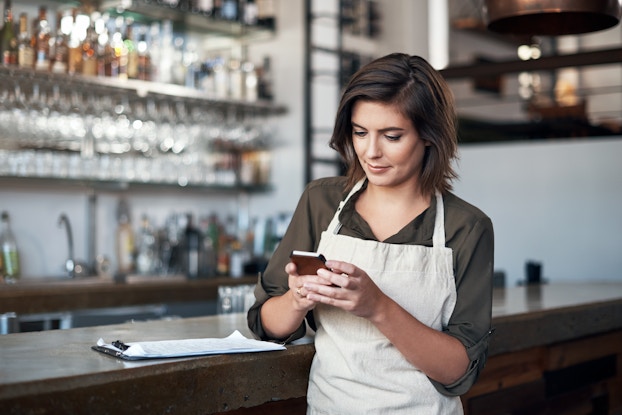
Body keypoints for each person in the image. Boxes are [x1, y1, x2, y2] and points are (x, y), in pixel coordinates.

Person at [247, 53, 494, 414]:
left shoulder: (466, 227)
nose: (371, 151)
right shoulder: (321, 201)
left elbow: (458, 371)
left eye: (392, 136)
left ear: (429, 136)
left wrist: (378, 307)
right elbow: (266, 324)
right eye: (360, 132)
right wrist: (297, 300)